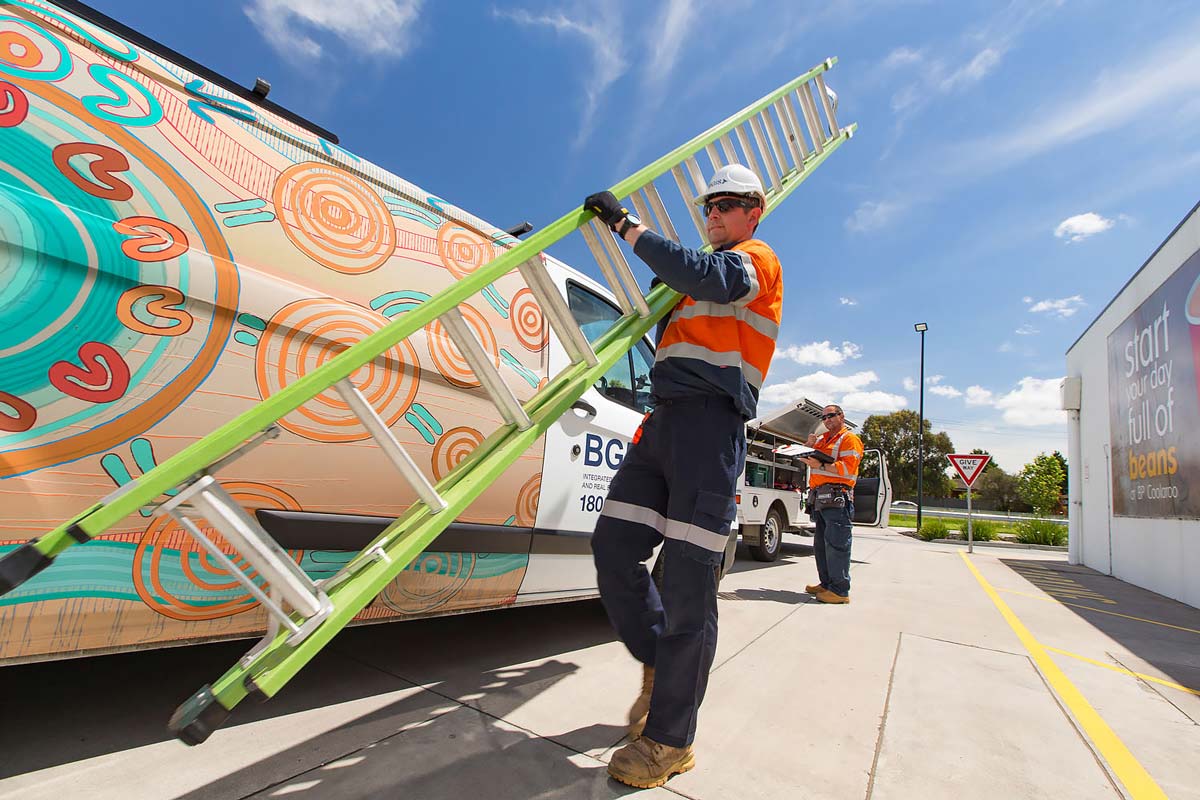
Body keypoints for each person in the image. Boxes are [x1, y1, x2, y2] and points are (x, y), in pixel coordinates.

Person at [583, 164, 782, 789]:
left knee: (691, 585)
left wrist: (624, 225)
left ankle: (671, 740)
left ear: (755, 210)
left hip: (710, 429)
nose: (715, 213)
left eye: (728, 204)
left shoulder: (755, 260)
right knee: (613, 548)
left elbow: (708, 274)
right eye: (709, 206)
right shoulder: (695, 284)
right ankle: (663, 669)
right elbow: (687, 289)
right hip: (664, 424)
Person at [800, 404, 863, 604]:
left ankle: (840, 591)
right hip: (821, 498)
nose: (827, 420)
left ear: (841, 416)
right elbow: (807, 459)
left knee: (837, 545)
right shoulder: (823, 439)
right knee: (821, 545)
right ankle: (826, 584)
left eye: (831, 416)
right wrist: (808, 445)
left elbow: (849, 469)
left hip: (837, 497)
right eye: (824, 417)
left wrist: (823, 465)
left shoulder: (849, 439)